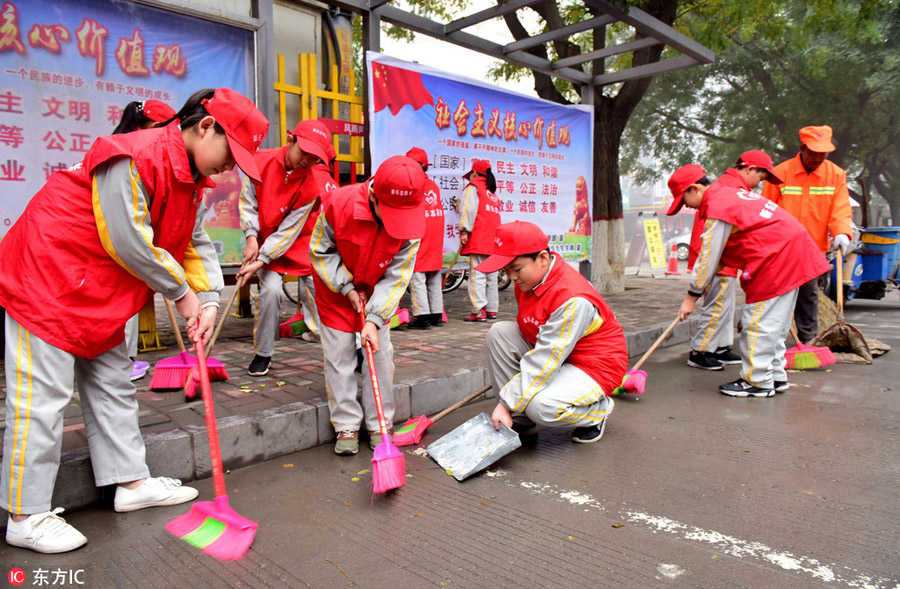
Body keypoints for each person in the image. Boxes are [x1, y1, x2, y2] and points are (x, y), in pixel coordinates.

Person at [0, 87, 269, 553]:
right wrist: (182, 293)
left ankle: (129, 482)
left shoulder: (190, 182)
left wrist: (207, 299)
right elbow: (127, 236)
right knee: (41, 399)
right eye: (232, 153)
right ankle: (25, 514)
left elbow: (193, 242)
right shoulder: (131, 154)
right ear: (205, 126)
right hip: (47, 275)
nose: (231, 168)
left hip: (101, 292)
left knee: (113, 384)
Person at [669, 160, 830, 397]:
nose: (688, 207)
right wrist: (705, 281)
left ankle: (756, 381)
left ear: (695, 188)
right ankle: (774, 376)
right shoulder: (730, 195)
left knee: (758, 324)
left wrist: (692, 295)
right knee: (775, 325)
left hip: (776, 259)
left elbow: (708, 254)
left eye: (684, 200)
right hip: (794, 253)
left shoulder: (718, 205)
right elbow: (723, 252)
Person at [310, 155, 425, 455]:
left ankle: (379, 423)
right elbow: (320, 251)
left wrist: (373, 319)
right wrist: (346, 286)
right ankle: (346, 422)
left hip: (377, 293)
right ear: (373, 194)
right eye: (389, 215)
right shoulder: (338, 204)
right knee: (339, 357)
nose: (395, 225)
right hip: (335, 290)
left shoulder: (412, 221)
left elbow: (399, 274)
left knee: (380, 355)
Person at [480, 221, 627, 443]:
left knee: (542, 407)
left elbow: (545, 360)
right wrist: (513, 402)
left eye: (517, 268)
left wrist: (504, 403)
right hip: (558, 352)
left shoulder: (571, 299)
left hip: (594, 365)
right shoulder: (531, 280)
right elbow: (546, 351)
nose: (511, 277)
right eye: (506, 270)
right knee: (499, 333)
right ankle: (521, 418)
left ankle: (597, 411)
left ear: (542, 258)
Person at [237, 120, 334, 376]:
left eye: (315, 158)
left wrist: (263, 257)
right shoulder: (259, 162)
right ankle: (263, 352)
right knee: (270, 291)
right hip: (265, 238)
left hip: (299, 240)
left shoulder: (312, 185)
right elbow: (248, 203)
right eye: (304, 152)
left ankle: (348, 349)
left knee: (322, 292)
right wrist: (250, 237)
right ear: (290, 140)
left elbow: (290, 229)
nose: (307, 161)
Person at [761, 125, 853, 344]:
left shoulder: (836, 175)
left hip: (813, 248)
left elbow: (840, 208)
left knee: (808, 296)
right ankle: (772, 340)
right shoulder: (781, 173)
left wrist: (842, 232)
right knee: (778, 295)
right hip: (781, 248)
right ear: (802, 147)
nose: (819, 157)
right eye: (814, 152)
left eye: (824, 153)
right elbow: (766, 209)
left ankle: (808, 342)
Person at [686, 152, 776, 371]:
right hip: (719, 260)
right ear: (750, 168)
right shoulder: (726, 189)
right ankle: (700, 351)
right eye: (760, 178)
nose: (758, 185)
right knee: (717, 306)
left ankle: (720, 347)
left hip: (726, 260)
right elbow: (708, 236)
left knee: (726, 306)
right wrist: (700, 277)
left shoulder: (734, 188)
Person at [113, 99, 178, 382]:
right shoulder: (131, 153)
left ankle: (123, 362)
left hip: (124, 243)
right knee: (122, 304)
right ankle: (124, 362)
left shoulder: (125, 146)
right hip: (118, 246)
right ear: (150, 126)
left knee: (124, 304)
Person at [405, 147, 445, 330]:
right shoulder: (433, 186)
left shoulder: (412, 185)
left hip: (420, 233)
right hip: (435, 235)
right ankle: (437, 314)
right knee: (434, 276)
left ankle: (422, 317)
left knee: (417, 277)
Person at [459, 159, 502, 322]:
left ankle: (478, 310)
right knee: (491, 275)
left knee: (477, 275)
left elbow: (468, 211)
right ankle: (491, 309)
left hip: (479, 237)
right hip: (493, 239)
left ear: (475, 173)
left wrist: (464, 230)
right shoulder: (492, 193)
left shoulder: (473, 188)